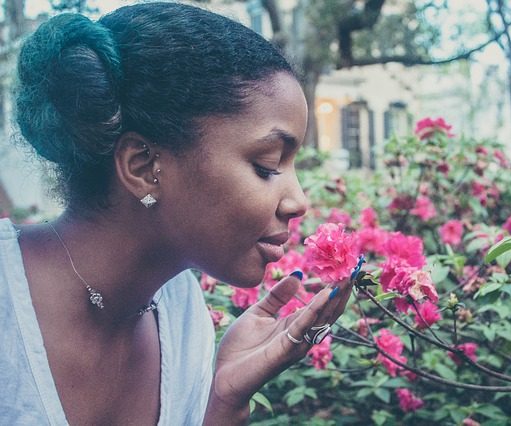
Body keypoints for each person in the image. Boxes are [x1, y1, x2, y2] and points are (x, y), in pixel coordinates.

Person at [0, 3, 353, 425]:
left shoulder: (181, 316)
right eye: (267, 165)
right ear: (144, 166)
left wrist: (224, 402)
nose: (298, 201)